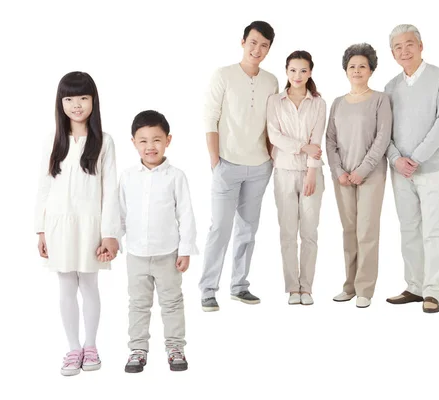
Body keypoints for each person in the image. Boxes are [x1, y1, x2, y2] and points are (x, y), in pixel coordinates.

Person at [34, 71, 120, 376]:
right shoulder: (53, 140)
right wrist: (40, 229)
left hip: (91, 225)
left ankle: (91, 345)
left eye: (83, 97)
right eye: (69, 98)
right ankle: (72, 348)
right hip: (58, 224)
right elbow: (43, 187)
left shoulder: (104, 142)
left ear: (93, 100)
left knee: (90, 284)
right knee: (66, 285)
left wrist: (109, 233)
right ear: (61, 102)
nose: (76, 104)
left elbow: (110, 191)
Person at [199, 21, 279, 311]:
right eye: (253, 42)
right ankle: (208, 289)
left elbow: (273, 123)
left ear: (269, 49)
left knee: (248, 229)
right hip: (227, 164)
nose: (257, 49)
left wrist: (271, 156)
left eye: (264, 45)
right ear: (243, 41)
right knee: (219, 229)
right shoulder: (224, 75)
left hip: (259, 166)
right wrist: (214, 160)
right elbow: (210, 118)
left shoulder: (271, 81)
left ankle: (239, 286)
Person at [118, 110, 198, 372]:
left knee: (172, 301)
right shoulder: (128, 177)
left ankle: (176, 347)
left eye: (156, 139)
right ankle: (137, 349)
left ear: (168, 140)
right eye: (143, 140)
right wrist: (113, 241)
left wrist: (185, 250)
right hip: (136, 254)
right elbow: (120, 213)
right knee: (138, 303)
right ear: (133, 143)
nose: (150, 146)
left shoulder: (176, 176)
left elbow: (185, 214)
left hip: (168, 254)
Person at [384, 24, 439, 313]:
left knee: (433, 228)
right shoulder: (391, 87)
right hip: (400, 170)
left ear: (421, 46)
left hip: (432, 167)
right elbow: (383, 131)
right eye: (398, 47)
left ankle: (432, 291)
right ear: (392, 53)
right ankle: (414, 286)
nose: (404, 50)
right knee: (409, 227)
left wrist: (417, 158)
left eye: (409, 44)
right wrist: (396, 159)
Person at [327, 44, 392, 309]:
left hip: (370, 176)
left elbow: (382, 137)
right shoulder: (338, 102)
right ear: (345, 70)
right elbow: (330, 139)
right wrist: (339, 172)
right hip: (342, 177)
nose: (356, 70)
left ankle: (365, 289)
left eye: (362, 66)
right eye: (352, 66)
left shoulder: (380, 99)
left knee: (367, 231)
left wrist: (361, 171)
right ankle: (349, 286)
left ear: (371, 70)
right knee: (349, 231)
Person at [267, 50, 326, 306]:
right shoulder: (275, 101)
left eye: (303, 70)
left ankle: (307, 287)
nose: (298, 75)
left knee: (310, 232)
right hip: (283, 171)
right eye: (293, 70)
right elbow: (274, 136)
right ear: (286, 71)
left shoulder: (319, 103)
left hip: (311, 172)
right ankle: (293, 287)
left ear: (310, 71)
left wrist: (312, 170)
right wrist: (303, 147)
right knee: (288, 233)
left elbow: (318, 140)